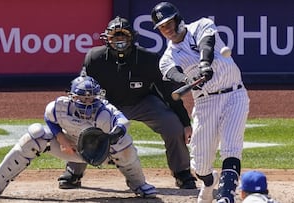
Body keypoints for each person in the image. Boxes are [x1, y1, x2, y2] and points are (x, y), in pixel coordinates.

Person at [57, 16, 197, 190]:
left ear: (132, 37)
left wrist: (184, 122)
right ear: (107, 39)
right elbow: (82, 87)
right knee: (84, 127)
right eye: (115, 36)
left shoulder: (149, 59)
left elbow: (168, 93)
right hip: (105, 105)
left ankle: (182, 172)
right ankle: (74, 172)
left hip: (142, 102)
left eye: (123, 36)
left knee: (172, 126)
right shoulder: (94, 58)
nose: (119, 41)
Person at [0, 76, 157, 199]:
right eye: (82, 99)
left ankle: (139, 184)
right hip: (71, 147)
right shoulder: (59, 107)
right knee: (35, 134)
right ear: (71, 96)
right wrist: (61, 140)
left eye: (91, 99)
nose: (88, 102)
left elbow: (123, 123)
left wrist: (112, 137)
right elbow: (49, 119)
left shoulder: (105, 110)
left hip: (102, 153)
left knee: (124, 145)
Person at [151, 2, 250, 203]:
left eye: (169, 23)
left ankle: (225, 196)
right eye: (162, 27)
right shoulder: (167, 58)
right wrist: (188, 80)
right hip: (205, 103)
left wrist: (205, 63)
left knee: (231, 147)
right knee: (200, 165)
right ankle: (209, 182)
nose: (167, 29)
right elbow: (173, 74)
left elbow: (207, 44)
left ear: (178, 19)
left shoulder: (201, 25)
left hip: (234, 94)